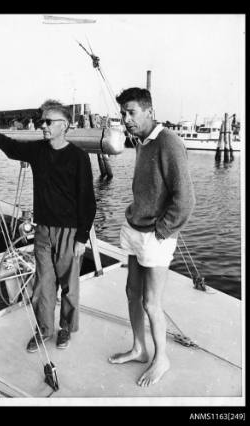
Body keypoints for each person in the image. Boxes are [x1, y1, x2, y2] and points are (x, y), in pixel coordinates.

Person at [0, 100, 96, 351]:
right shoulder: (38, 151)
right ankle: (45, 330)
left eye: (48, 122)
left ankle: (66, 329)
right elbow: (8, 145)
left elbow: (88, 202)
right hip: (43, 230)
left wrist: (81, 239)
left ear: (64, 125)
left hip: (69, 233)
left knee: (69, 285)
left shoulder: (79, 157)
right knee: (43, 283)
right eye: (42, 122)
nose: (43, 126)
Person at [108, 88, 195, 386]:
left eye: (131, 112)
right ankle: (139, 347)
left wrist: (163, 230)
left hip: (156, 235)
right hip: (135, 227)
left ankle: (162, 359)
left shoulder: (168, 142)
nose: (126, 119)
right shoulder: (142, 142)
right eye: (123, 114)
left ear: (149, 110)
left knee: (151, 303)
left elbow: (185, 200)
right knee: (132, 293)